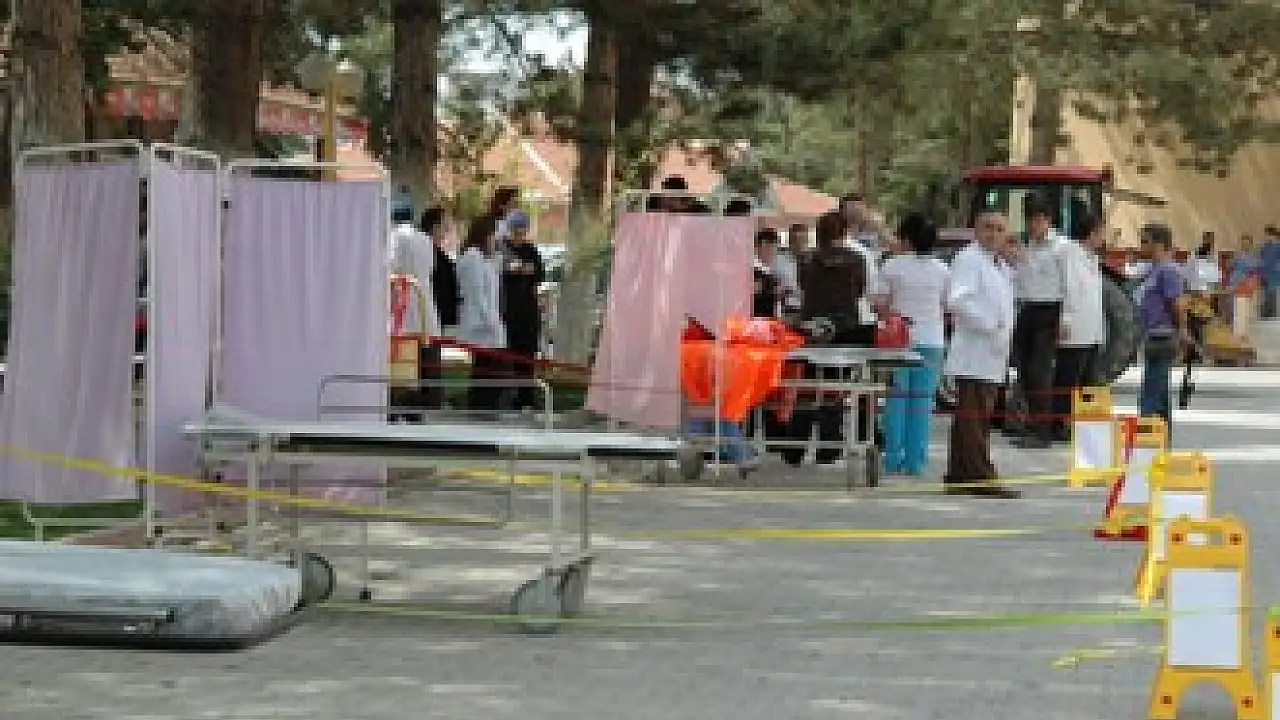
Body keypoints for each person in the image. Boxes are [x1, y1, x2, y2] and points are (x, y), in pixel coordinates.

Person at [943, 211, 1020, 498]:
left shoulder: (997, 264)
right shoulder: (969, 259)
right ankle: (980, 476)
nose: (994, 234)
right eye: (988, 227)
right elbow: (958, 301)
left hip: (991, 353)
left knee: (974, 418)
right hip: (975, 351)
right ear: (975, 231)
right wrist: (990, 325)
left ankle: (959, 474)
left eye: (1000, 229)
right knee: (974, 419)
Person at [876, 212, 949, 476]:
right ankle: (916, 460)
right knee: (922, 403)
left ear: (907, 238)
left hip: (899, 341)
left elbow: (879, 303)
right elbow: (946, 305)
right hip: (932, 340)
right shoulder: (943, 270)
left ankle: (892, 457)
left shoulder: (892, 266)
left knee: (896, 401)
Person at [1010, 200, 1068, 449]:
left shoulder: (1061, 247)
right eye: (1030, 220)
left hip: (1049, 310)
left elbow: (1069, 285)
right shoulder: (1028, 246)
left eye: (1037, 220)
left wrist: (1066, 318)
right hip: (1027, 309)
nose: (1033, 225)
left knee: (1039, 371)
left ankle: (1042, 431)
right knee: (1023, 369)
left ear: (1048, 220)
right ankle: (1029, 424)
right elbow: (1022, 279)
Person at [1051, 212, 1107, 441]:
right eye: (1101, 233)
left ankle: (1082, 425)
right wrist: (1064, 320)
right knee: (1067, 380)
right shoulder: (1071, 254)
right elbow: (1069, 289)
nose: (1103, 238)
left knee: (1087, 381)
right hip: (1075, 330)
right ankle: (1058, 425)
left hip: (1091, 331)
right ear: (1091, 233)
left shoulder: (1092, 258)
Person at [388, 205, 440, 422]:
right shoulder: (425, 239)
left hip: (402, 310)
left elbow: (391, 269)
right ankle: (416, 411)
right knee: (421, 364)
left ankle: (397, 409)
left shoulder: (393, 237)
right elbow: (431, 270)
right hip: (424, 307)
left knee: (400, 366)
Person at [1136, 223, 1187, 435]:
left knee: (1151, 393)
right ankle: (1162, 436)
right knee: (1159, 390)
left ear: (1159, 244)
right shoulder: (1153, 270)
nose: (1141, 246)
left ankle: (1146, 435)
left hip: (1163, 337)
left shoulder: (1168, 270)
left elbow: (1177, 303)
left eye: (1145, 242)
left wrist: (1182, 330)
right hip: (1152, 335)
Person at [456, 216, 507, 412]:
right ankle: (481, 407)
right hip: (482, 323)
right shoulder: (472, 256)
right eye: (494, 235)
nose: (496, 240)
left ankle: (487, 407)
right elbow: (477, 294)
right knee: (489, 369)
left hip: (490, 321)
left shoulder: (486, 259)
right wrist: (490, 320)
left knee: (492, 369)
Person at [500, 210, 545, 411]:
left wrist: (522, 268)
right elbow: (505, 269)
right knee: (508, 353)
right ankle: (508, 395)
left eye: (522, 230)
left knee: (527, 354)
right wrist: (520, 268)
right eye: (516, 230)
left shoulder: (531, 250)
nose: (519, 234)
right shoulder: (502, 248)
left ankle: (526, 396)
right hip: (507, 310)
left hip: (528, 310)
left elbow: (538, 273)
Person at [752, 229, 783, 318]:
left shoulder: (767, 271)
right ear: (762, 246)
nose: (774, 254)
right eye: (772, 248)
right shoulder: (754, 272)